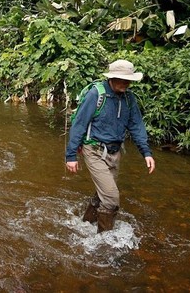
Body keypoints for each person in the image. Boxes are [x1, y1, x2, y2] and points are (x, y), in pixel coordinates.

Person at [65, 59, 155, 233]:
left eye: (128, 80)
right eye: (122, 79)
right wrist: (70, 156)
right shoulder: (96, 94)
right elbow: (80, 124)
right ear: (112, 78)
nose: (126, 83)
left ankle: (85, 225)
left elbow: (136, 125)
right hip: (94, 150)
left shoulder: (129, 98)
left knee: (103, 195)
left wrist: (146, 153)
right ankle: (104, 241)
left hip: (115, 152)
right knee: (112, 199)